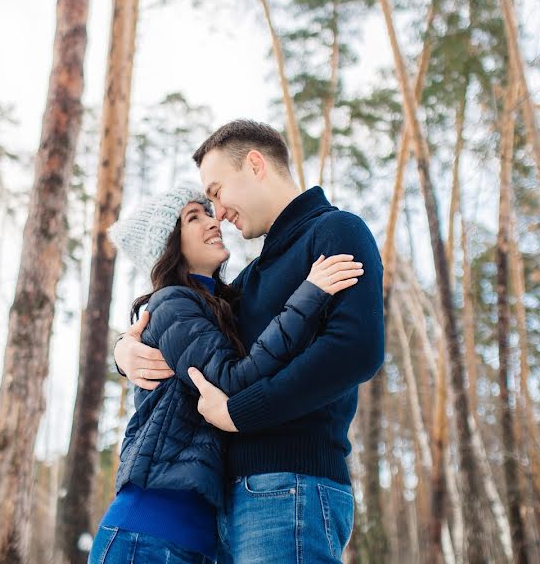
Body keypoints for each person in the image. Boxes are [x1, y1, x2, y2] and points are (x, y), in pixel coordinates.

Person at [114, 120, 385, 563]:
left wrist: (240, 412)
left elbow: (355, 350)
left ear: (255, 165)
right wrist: (123, 352)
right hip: (234, 499)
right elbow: (189, 331)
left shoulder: (335, 231)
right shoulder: (248, 280)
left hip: (292, 485)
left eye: (217, 192)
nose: (218, 212)